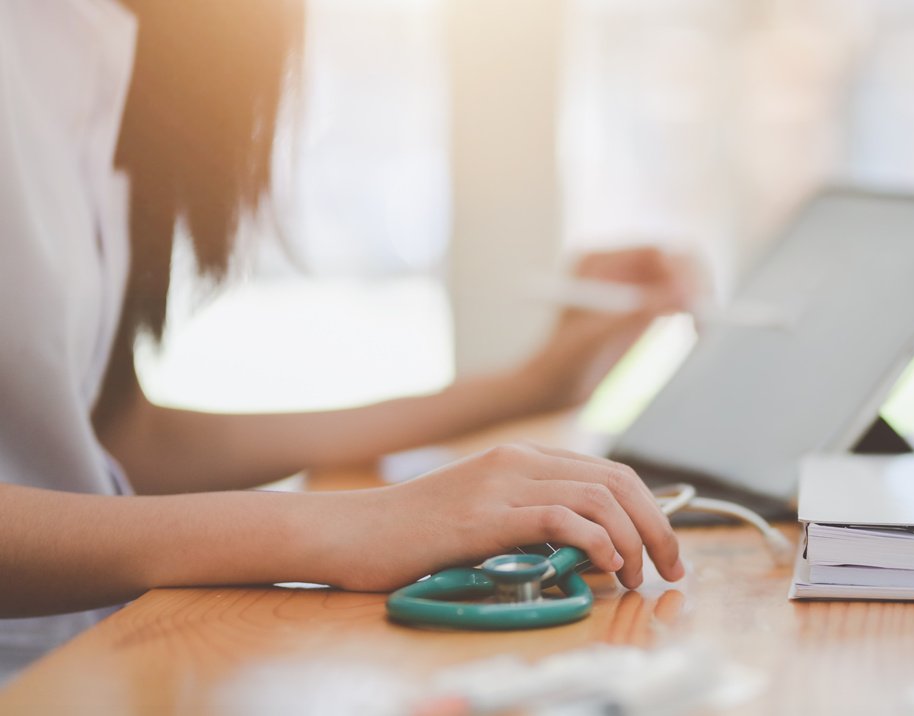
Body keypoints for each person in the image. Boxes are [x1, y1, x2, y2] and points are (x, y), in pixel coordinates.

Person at [0, 0, 689, 679]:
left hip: (85, 662)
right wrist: (332, 528)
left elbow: (112, 441)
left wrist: (531, 385)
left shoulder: (112, 39)